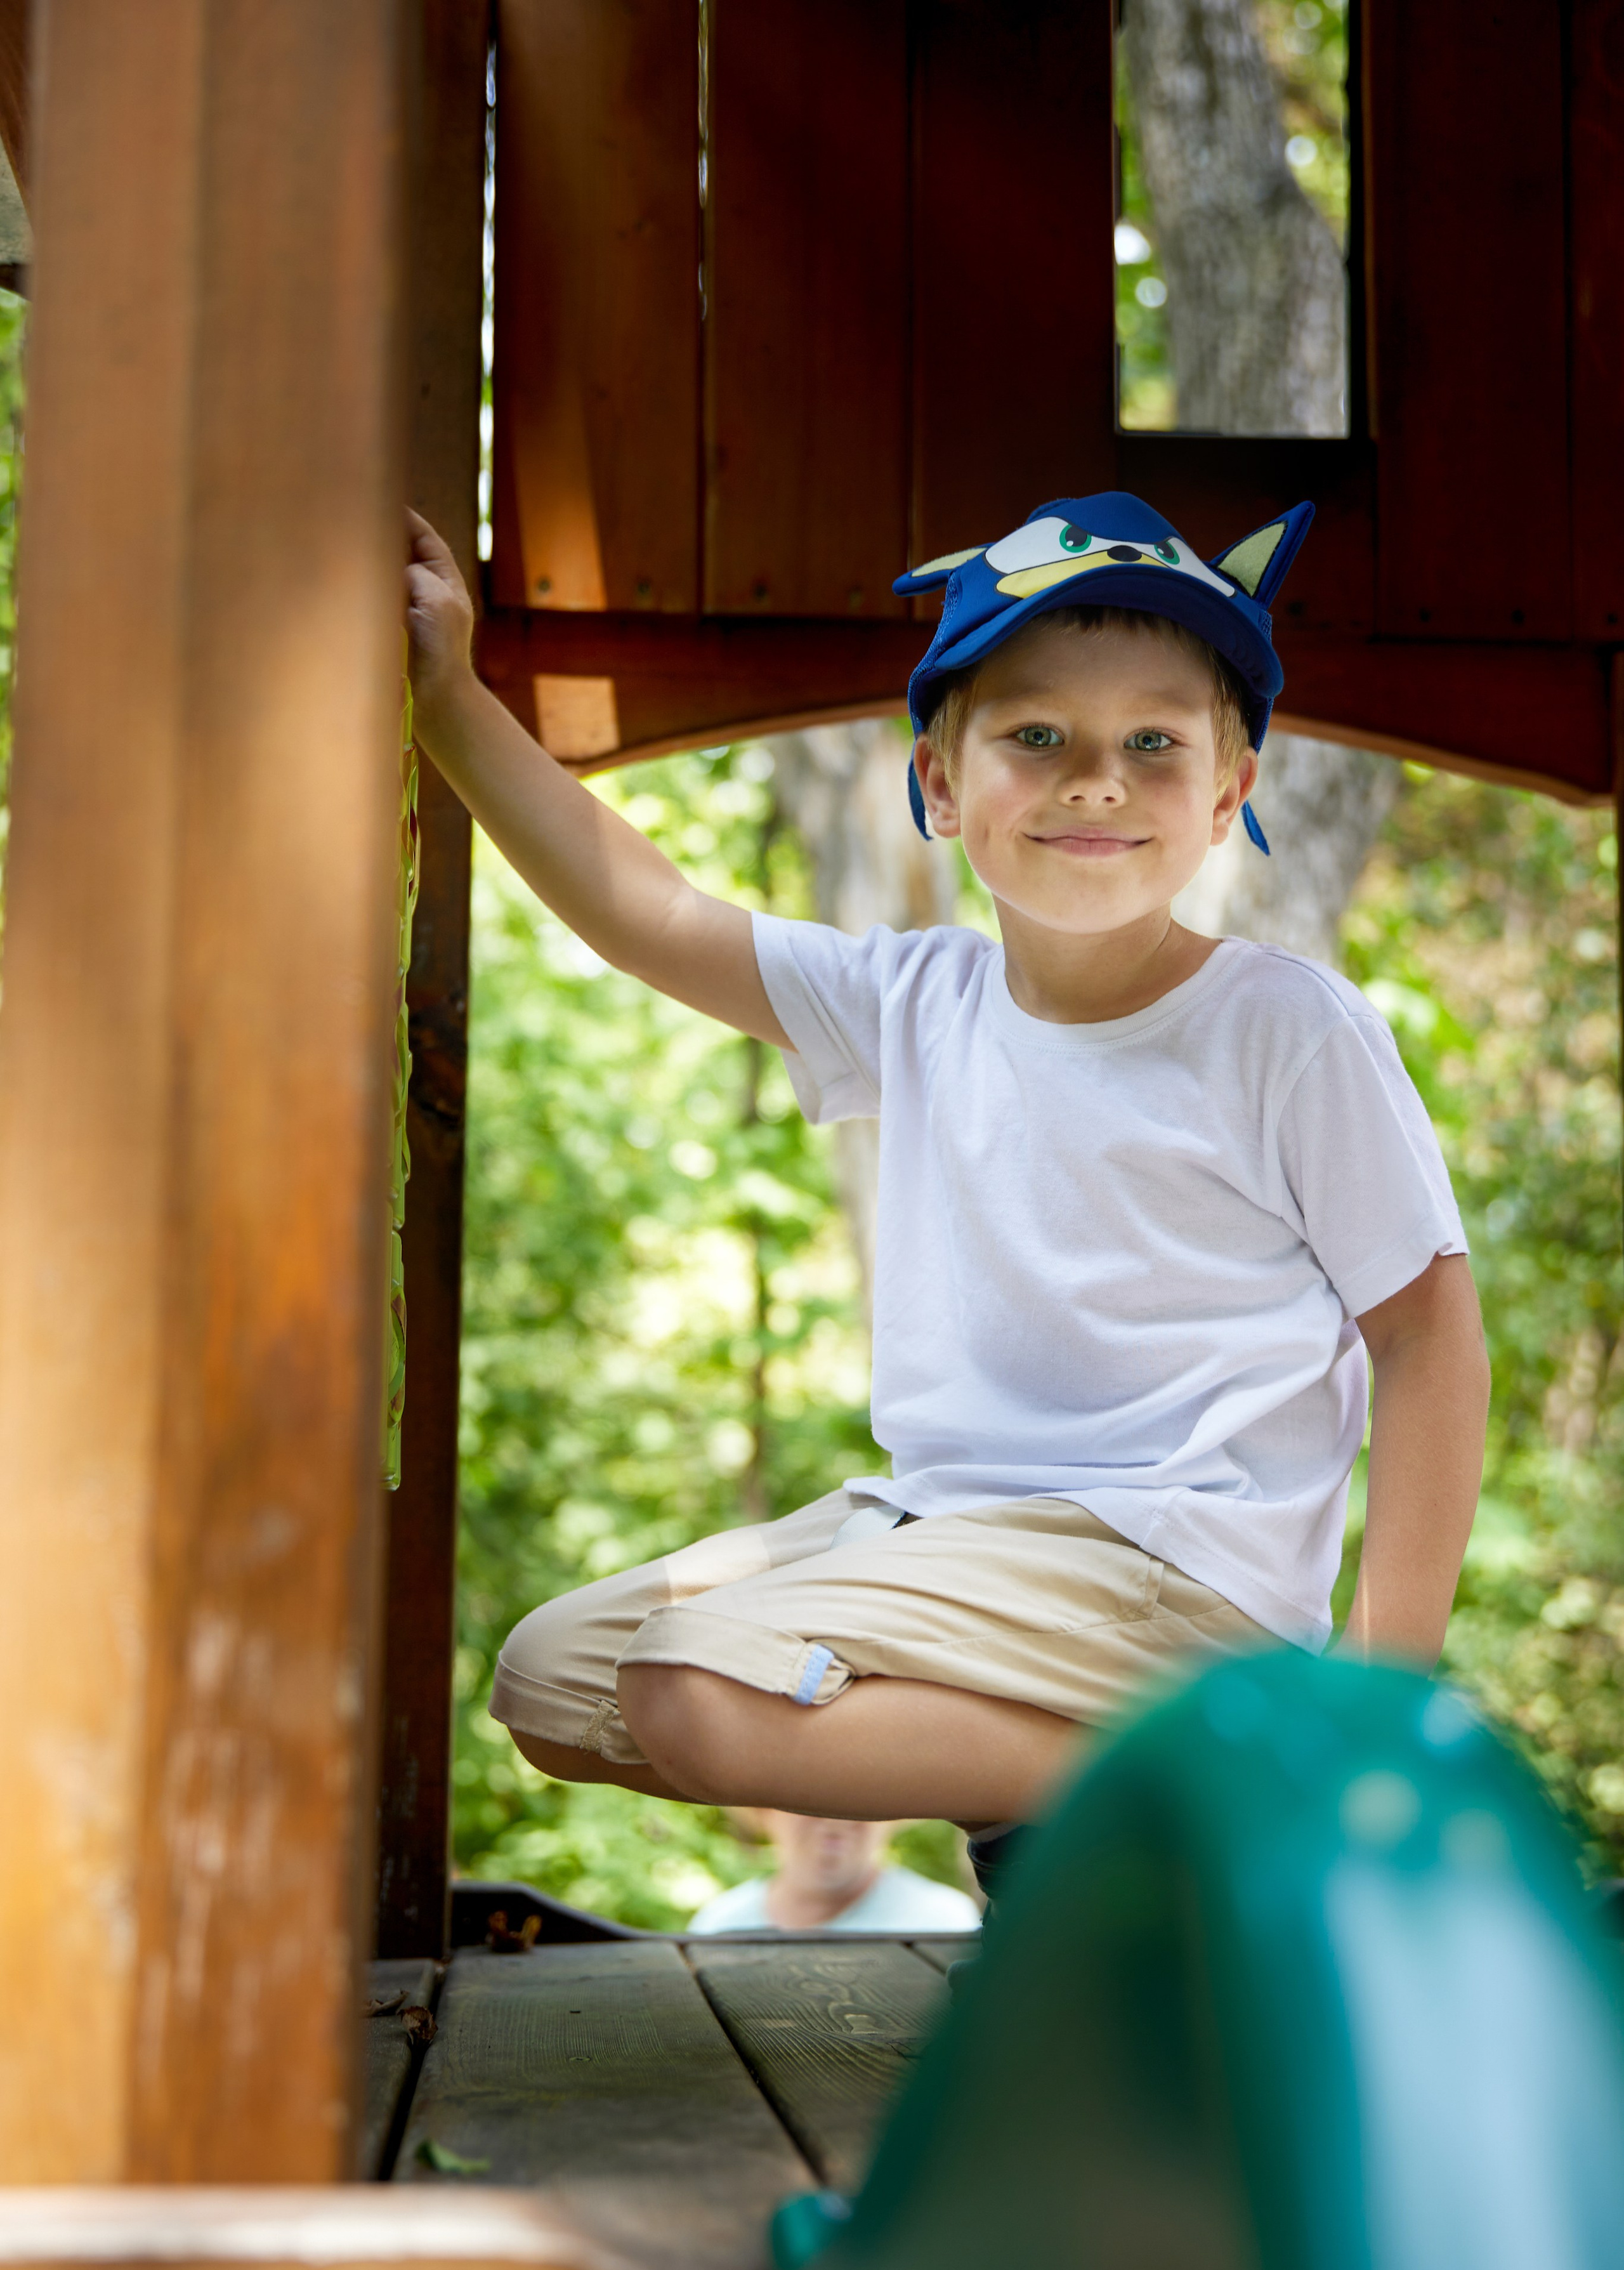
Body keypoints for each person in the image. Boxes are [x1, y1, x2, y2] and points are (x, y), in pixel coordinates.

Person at [405, 487, 1489, 1906]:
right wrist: (446, 701)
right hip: (950, 1534)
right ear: (937, 782)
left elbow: (1427, 1340)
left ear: (1226, 797)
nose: (1093, 780)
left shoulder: (1286, 1032)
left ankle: (1229, 1778)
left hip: (1165, 1562)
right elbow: (648, 912)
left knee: (687, 1687)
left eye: (1151, 745)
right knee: (555, 1681)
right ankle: (1134, 1787)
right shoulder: (912, 999)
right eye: (1035, 737)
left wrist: (1377, 1695)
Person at [686, 1813, 982, 1935]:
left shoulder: (944, 1920)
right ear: (765, 1812)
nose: (833, 1820)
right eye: (806, 1799)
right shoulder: (721, 1922)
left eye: (862, 1802)